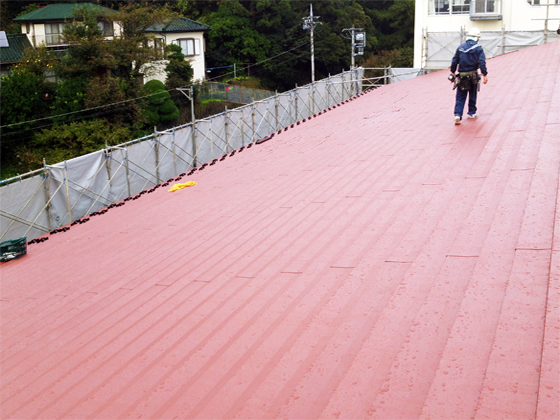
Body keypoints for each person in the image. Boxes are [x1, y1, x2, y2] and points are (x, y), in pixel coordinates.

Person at [450, 27, 488, 125]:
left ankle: (458, 115)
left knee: (460, 96)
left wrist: (453, 72)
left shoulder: (460, 48)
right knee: (473, 94)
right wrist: (485, 74)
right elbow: (482, 62)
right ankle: (472, 112)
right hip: (473, 75)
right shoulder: (478, 48)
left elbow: (454, 61)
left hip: (462, 76)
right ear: (477, 38)